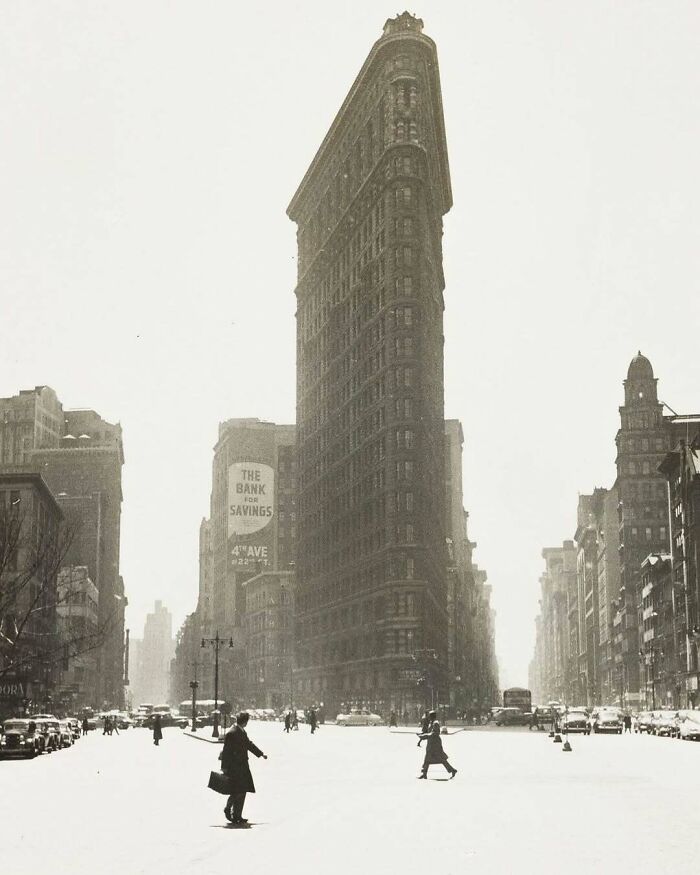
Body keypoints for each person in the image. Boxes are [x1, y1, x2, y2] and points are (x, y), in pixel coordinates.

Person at [221, 711, 268, 825]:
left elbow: (248, 745)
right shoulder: (232, 733)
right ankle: (229, 809)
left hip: (242, 766)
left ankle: (237, 815)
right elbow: (226, 752)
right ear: (245, 721)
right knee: (237, 790)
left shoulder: (240, 731)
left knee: (241, 790)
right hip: (235, 767)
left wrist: (260, 754)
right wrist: (225, 767)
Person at [417, 711, 457, 780]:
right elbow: (429, 732)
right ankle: (424, 774)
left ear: (432, 716)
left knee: (441, 759)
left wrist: (424, 736)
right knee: (427, 758)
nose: (428, 717)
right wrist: (422, 735)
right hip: (431, 743)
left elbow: (434, 734)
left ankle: (452, 770)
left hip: (435, 744)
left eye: (429, 716)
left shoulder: (436, 723)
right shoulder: (432, 723)